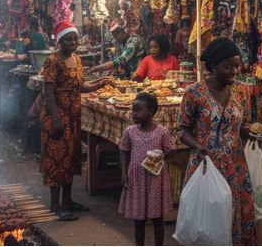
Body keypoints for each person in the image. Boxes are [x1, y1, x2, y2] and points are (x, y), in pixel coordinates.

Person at [177, 37, 256, 245]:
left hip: (236, 168)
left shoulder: (242, 91)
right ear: (213, 66)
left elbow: (244, 125)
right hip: (205, 165)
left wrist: (258, 134)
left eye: (237, 66)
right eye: (228, 66)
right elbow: (182, 130)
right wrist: (197, 146)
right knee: (208, 222)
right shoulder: (194, 93)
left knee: (235, 215)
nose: (234, 71)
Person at [41, 21, 113, 220]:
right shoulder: (53, 61)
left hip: (73, 115)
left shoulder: (77, 60)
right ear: (59, 41)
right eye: (68, 39)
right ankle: (55, 205)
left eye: (75, 39)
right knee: (56, 158)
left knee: (71, 157)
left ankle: (68, 200)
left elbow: (80, 87)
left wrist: (100, 83)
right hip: (57, 116)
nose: (73, 42)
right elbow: (47, 92)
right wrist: (55, 118)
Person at [119, 93, 175, 246]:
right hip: (136, 179)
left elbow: (171, 150)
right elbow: (124, 150)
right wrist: (124, 173)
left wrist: (160, 155)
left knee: (157, 218)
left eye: (138, 110)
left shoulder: (162, 131)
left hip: (155, 180)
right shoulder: (129, 131)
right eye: (133, 110)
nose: (134, 114)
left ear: (150, 112)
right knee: (138, 219)